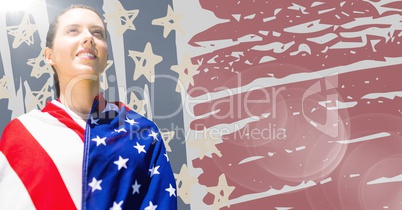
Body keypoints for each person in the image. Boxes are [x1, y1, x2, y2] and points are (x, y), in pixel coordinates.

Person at [0, 4, 177, 210]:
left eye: (97, 33)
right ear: (49, 55)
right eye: (73, 30)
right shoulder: (23, 132)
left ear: (106, 56)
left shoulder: (142, 132)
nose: (88, 38)